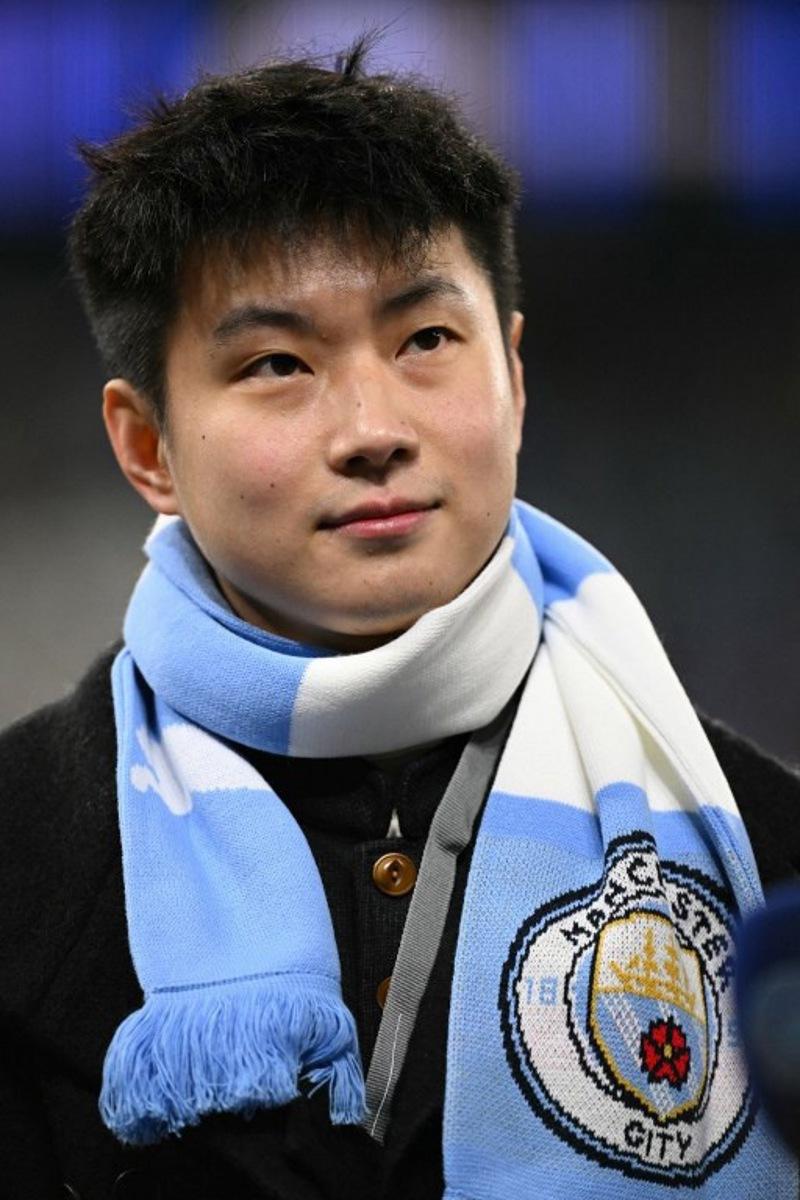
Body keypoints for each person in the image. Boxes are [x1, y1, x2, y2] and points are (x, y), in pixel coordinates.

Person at [1, 37, 798, 1200]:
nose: (372, 426)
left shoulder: (762, 863)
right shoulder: (21, 862)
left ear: (512, 381)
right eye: (276, 362)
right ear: (145, 446)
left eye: (425, 340)